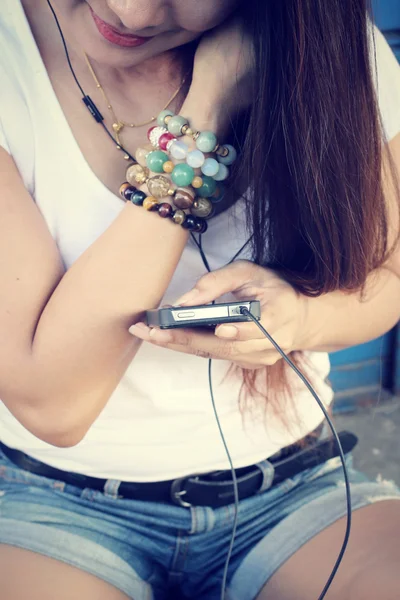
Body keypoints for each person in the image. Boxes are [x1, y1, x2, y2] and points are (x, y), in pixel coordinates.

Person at [1, 1, 400, 598]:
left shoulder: (332, 48)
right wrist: (205, 110)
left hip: (292, 488)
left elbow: (388, 273)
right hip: (56, 503)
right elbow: (53, 405)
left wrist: (302, 318)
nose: (130, 11)